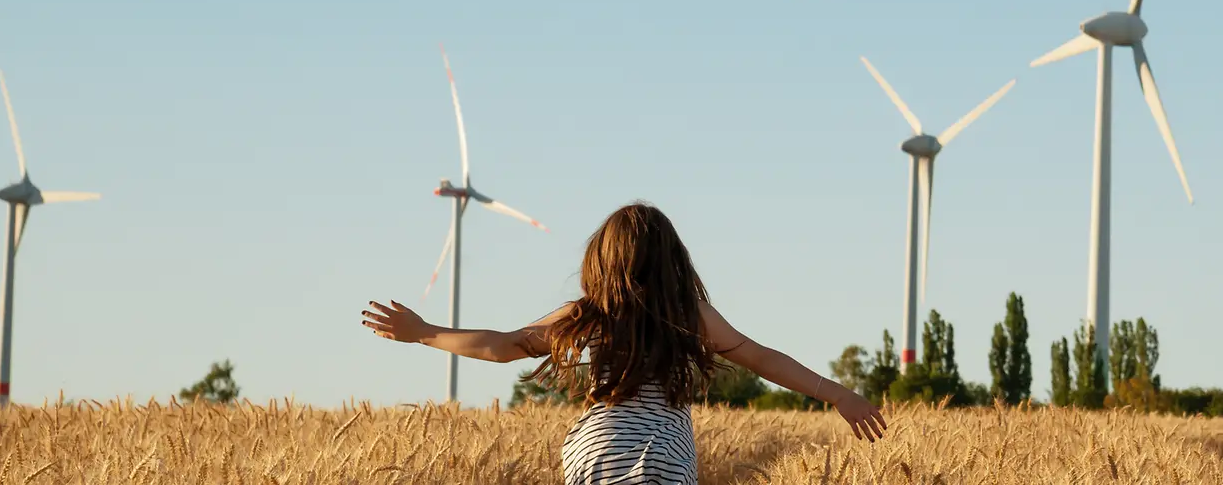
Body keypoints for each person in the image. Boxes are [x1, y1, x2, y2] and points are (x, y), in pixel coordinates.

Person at [360, 201, 887, 485]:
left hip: (597, 448)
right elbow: (762, 358)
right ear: (674, 261)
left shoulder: (592, 312)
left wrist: (424, 332)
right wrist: (837, 393)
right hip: (664, 451)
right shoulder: (692, 314)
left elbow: (506, 346)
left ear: (601, 259)